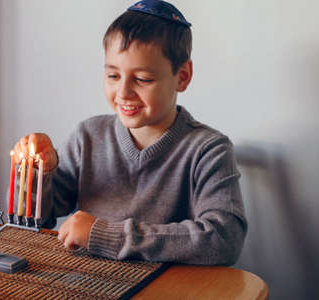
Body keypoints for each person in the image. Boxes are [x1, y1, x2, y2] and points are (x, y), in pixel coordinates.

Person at [13, 0, 247, 265]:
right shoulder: (87, 136)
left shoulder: (209, 149)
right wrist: (39, 173)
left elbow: (224, 239)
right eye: (113, 76)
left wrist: (104, 235)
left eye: (143, 79)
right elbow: (35, 220)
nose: (123, 93)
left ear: (182, 77)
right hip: (81, 280)